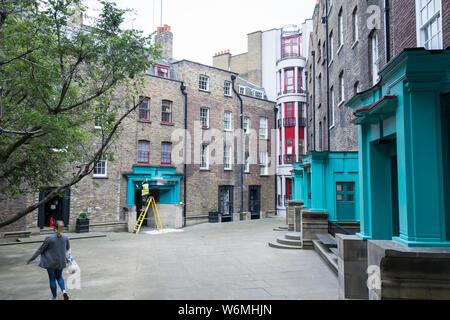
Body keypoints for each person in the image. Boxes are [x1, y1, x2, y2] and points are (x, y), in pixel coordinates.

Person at [27, 220, 70, 300]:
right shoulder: (66, 237)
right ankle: (64, 291)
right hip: (60, 261)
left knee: (52, 279)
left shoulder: (49, 238)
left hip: (50, 262)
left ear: (54, 227)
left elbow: (40, 250)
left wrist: (31, 259)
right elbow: (67, 249)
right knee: (59, 277)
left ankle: (54, 297)